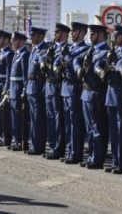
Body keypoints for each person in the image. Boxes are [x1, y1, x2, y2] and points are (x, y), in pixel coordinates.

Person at [99, 25, 122, 175]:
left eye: (117, 35)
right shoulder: (115, 51)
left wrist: (113, 65)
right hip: (111, 93)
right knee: (114, 131)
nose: (114, 38)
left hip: (121, 93)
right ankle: (115, 161)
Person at [75, 24, 110, 169]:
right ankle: (91, 156)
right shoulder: (91, 50)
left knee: (97, 128)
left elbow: (100, 66)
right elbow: (75, 59)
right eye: (90, 33)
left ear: (101, 35)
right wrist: (78, 69)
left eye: (93, 33)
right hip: (86, 92)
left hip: (96, 93)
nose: (90, 36)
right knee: (90, 128)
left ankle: (97, 159)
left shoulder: (105, 51)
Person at [59, 22, 90, 164]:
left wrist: (66, 57)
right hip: (65, 87)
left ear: (83, 32)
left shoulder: (85, 49)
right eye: (71, 31)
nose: (72, 33)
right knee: (67, 123)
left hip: (74, 88)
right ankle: (70, 150)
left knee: (75, 123)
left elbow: (74, 63)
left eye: (75, 31)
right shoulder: (70, 48)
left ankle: (76, 153)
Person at [43, 23, 70, 159]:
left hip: (58, 85)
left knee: (59, 119)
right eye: (55, 32)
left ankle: (59, 148)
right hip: (49, 85)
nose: (55, 35)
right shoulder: (52, 48)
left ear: (65, 34)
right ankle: (52, 146)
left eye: (58, 32)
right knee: (50, 118)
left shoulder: (66, 49)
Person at [26, 27, 49, 155]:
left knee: (38, 118)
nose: (32, 37)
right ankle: (33, 143)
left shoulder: (44, 49)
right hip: (30, 86)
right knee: (32, 118)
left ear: (40, 36)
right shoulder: (34, 50)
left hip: (37, 87)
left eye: (34, 35)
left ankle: (38, 145)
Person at [8, 32, 30, 151]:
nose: (12, 42)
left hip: (18, 89)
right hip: (13, 89)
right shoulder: (17, 55)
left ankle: (21, 141)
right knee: (14, 117)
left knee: (20, 117)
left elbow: (25, 76)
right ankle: (15, 140)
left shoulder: (24, 55)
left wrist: (24, 91)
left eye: (14, 40)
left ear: (20, 41)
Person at [0, 30, 14, 146]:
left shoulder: (9, 53)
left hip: (2, 86)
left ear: (6, 39)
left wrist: (6, 88)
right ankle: (1, 135)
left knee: (5, 114)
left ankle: (6, 137)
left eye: (0, 38)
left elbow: (9, 73)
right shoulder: (1, 53)